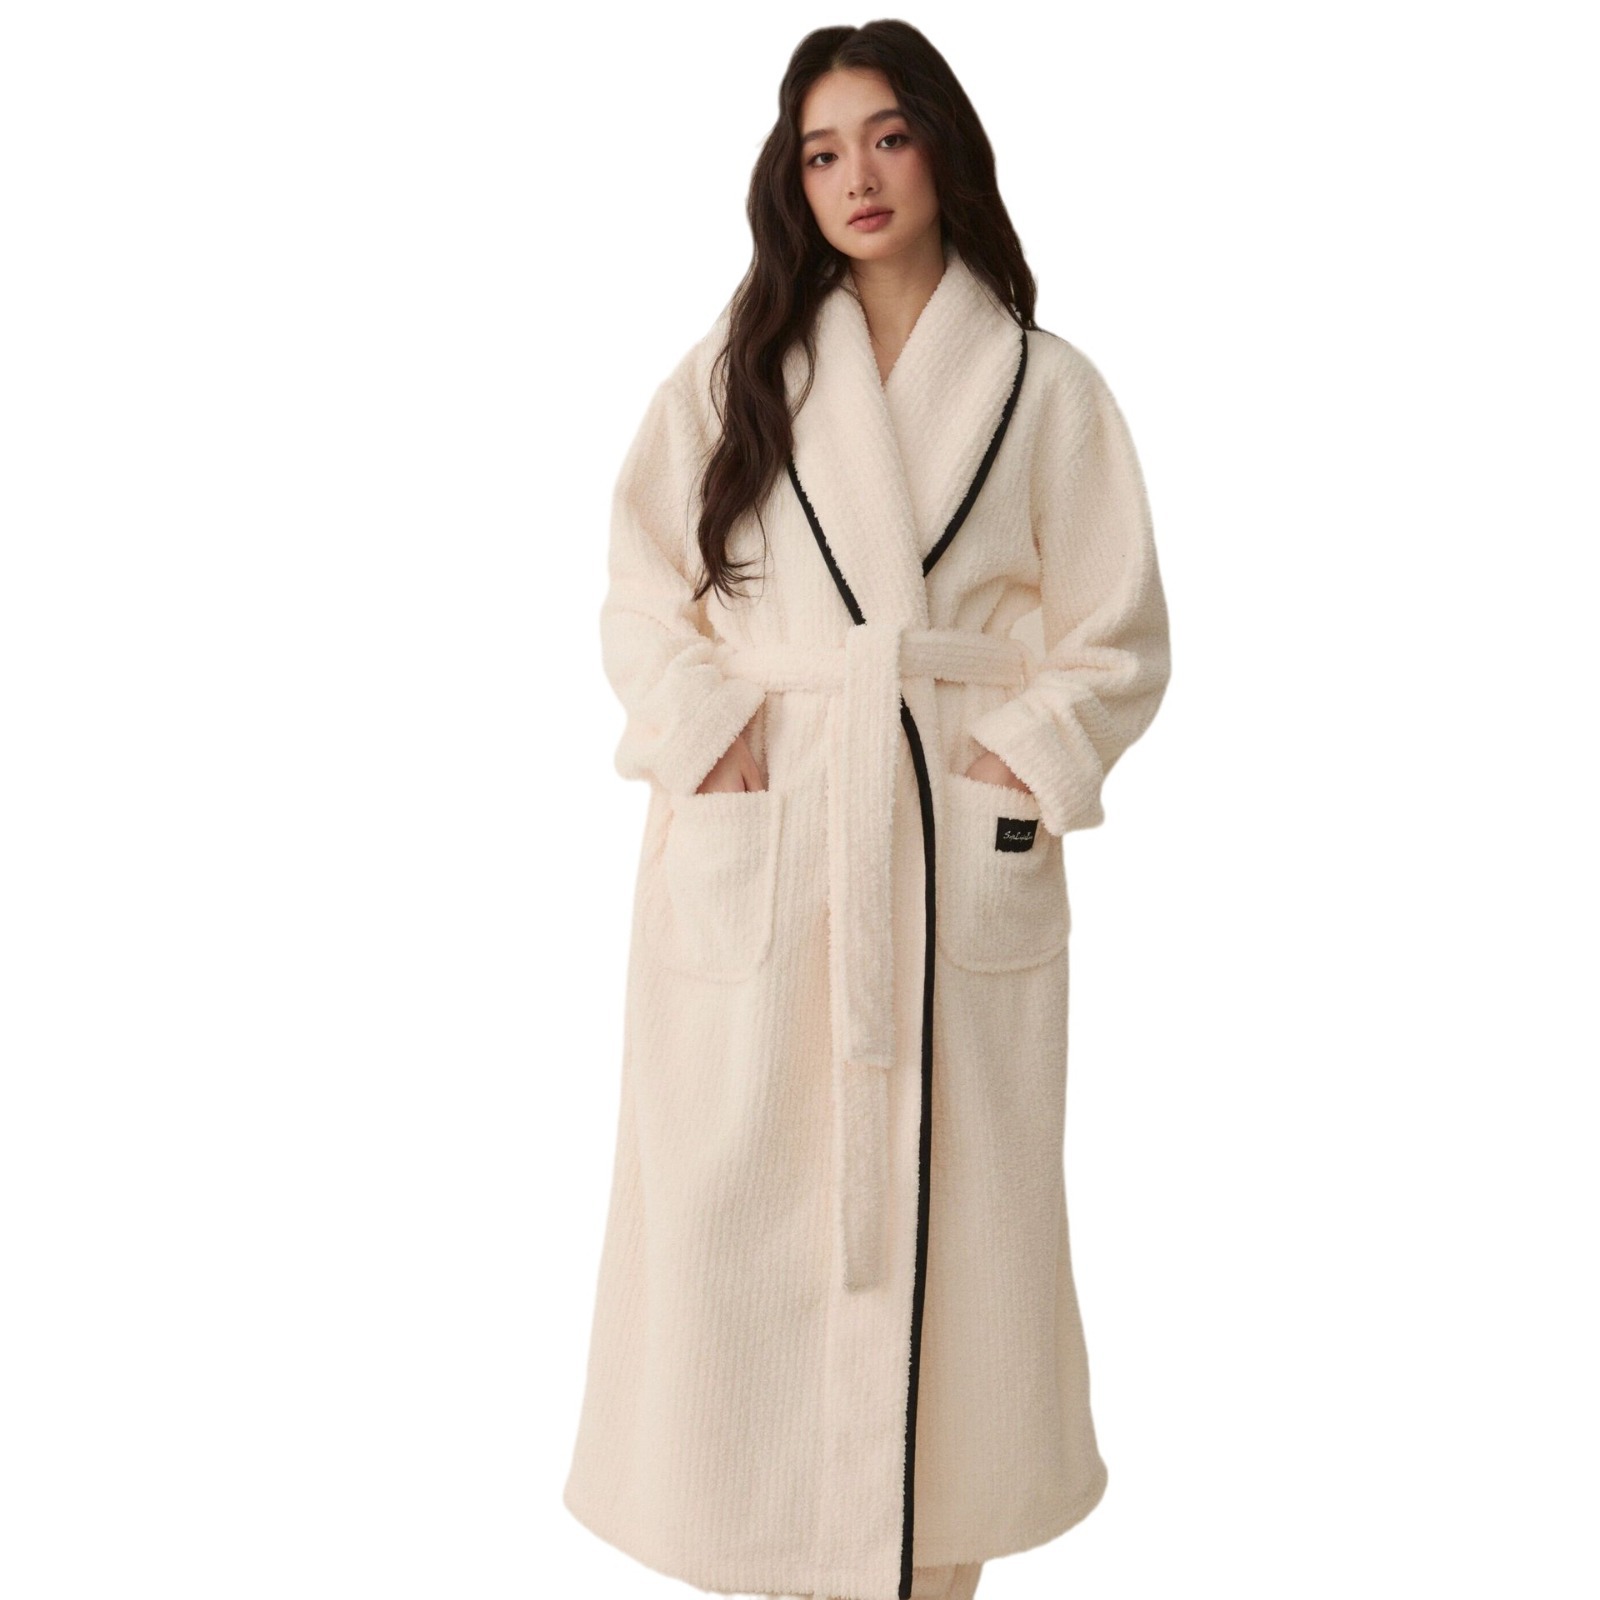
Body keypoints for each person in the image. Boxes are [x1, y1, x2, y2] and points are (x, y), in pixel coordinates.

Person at [563, 20, 1171, 1600]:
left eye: (887, 137)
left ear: (942, 148)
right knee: (732, 1220)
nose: (858, 176)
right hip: (764, 848)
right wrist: (710, 735)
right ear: (793, 178)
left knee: (960, 1224)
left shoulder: (1047, 387)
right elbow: (641, 591)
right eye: (823, 151)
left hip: (943, 850)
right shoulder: (734, 374)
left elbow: (1118, 636)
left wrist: (1015, 762)